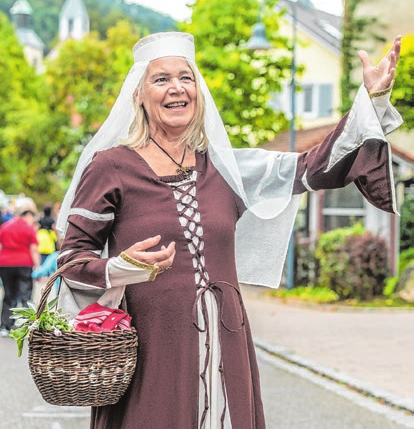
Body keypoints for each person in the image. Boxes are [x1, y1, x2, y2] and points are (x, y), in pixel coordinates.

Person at [56, 31, 402, 428]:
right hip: (153, 350)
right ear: (138, 94)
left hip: (226, 339)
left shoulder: (224, 169)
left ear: (199, 91)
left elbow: (313, 167)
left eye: (186, 78)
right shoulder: (111, 167)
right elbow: (71, 260)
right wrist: (120, 267)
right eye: (161, 79)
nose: (177, 88)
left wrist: (370, 102)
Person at [0, 197, 40, 337]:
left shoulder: (5, 226)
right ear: (27, 215)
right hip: (24, 263)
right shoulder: (29, 229)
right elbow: (33, 249)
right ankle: (27, 325)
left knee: (8, 294)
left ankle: (5, 325)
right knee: (25, 294)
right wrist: (38, 266)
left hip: (5, 264)